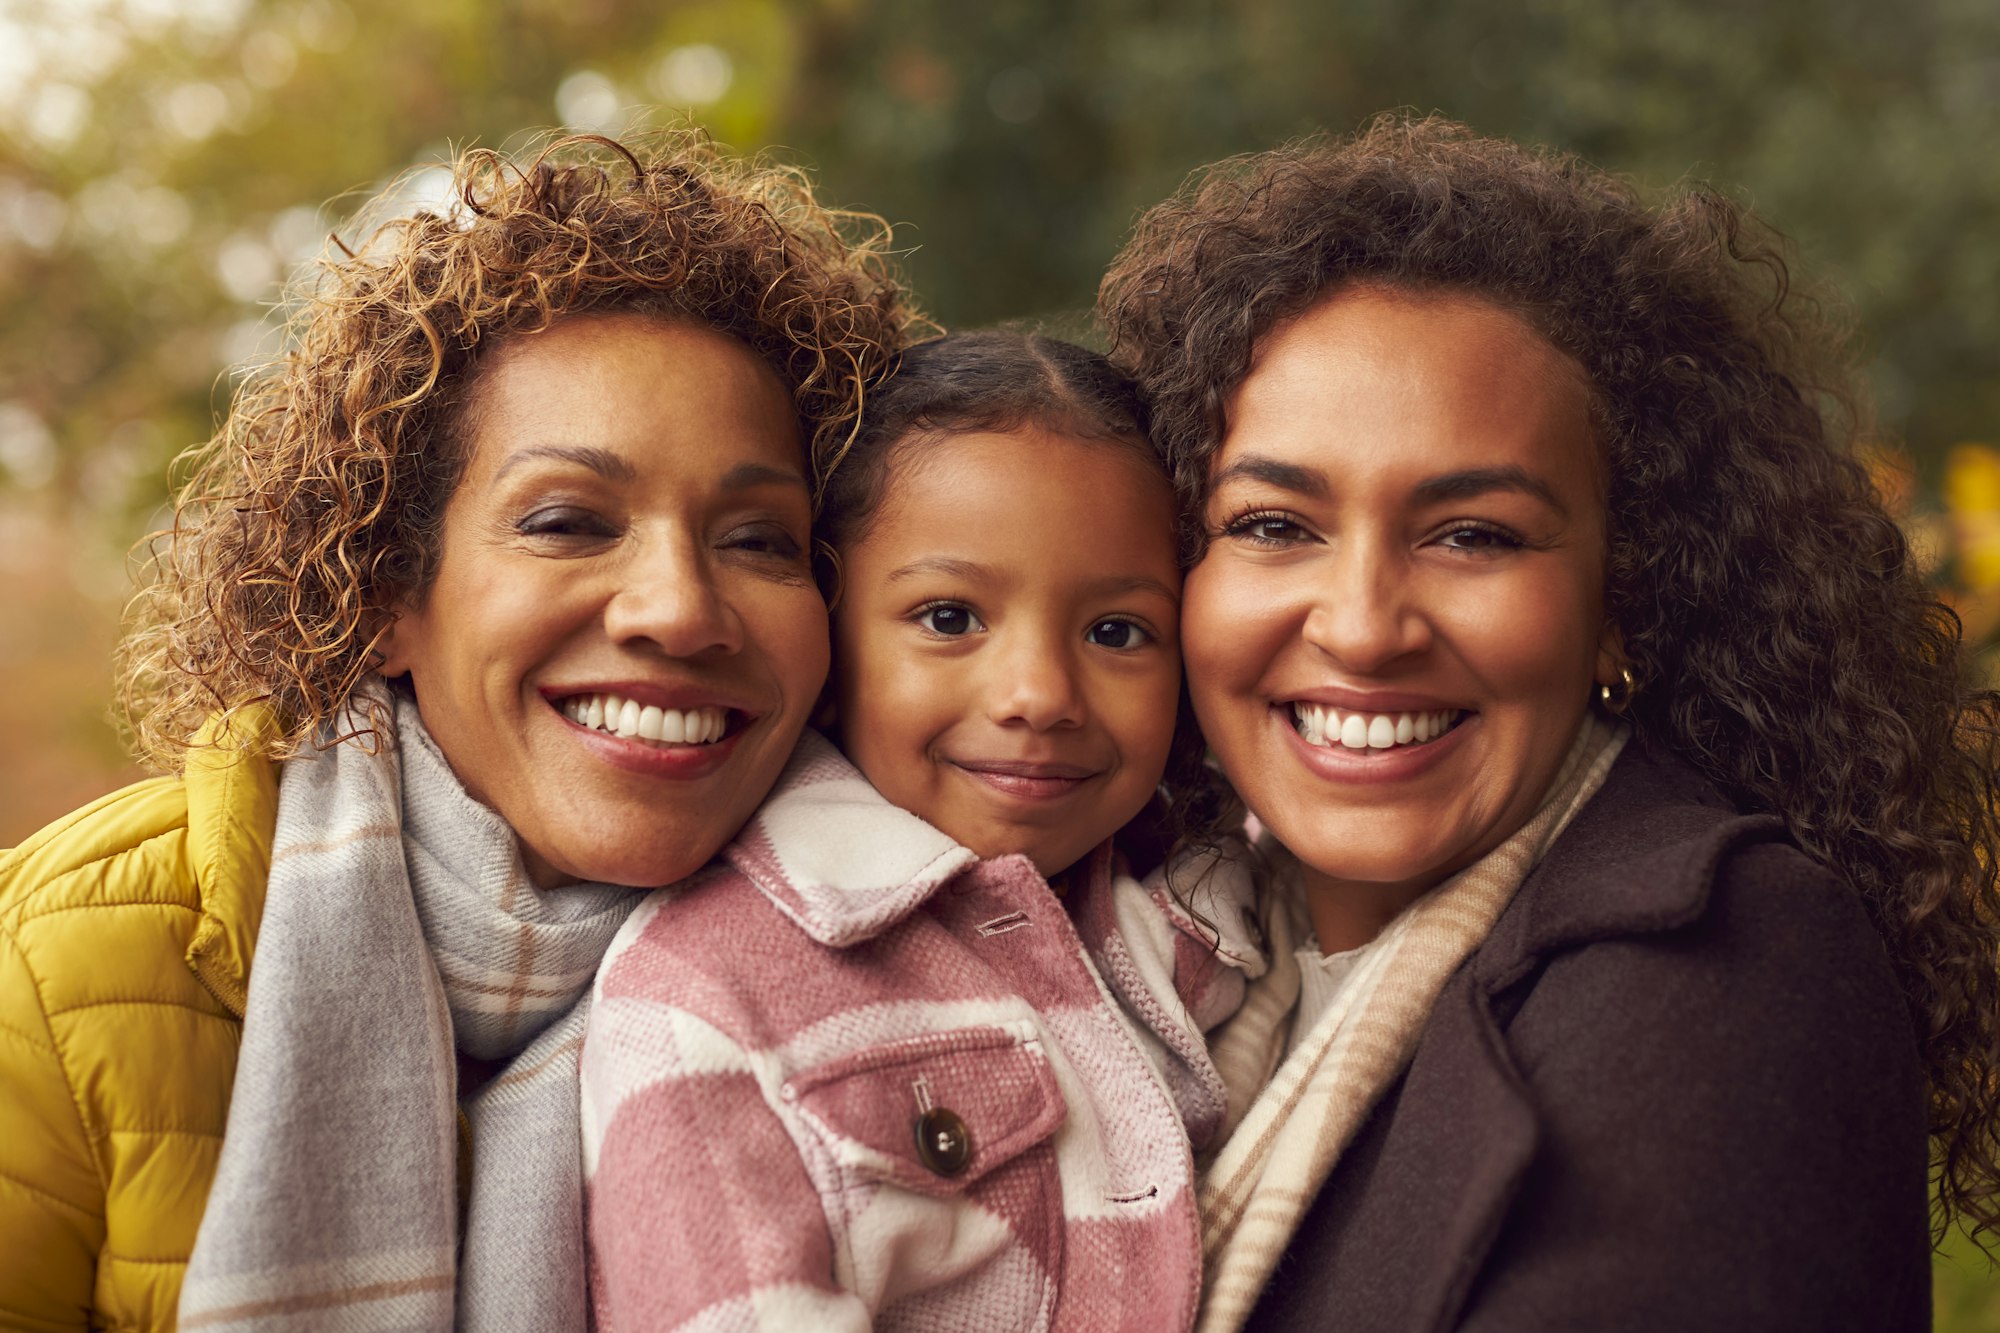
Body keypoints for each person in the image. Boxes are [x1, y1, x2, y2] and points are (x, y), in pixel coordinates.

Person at [1098, 116, 2000, 1331]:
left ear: (1622, 597)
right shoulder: (1147, 957)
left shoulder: (1726, 968)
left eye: (1472, 534)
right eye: (1271, 524)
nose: (1362, 627)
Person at [0, 132, 909, 1331]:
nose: (681, 608)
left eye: (757, 541)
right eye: (568, 521)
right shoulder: (61, 967)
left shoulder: (931, 959)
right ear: (383, 594)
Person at [581, 332, 1262, 1332]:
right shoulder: (700, 998)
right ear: (828, 630)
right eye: (948, 618)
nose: (1038, 694)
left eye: (1115, 632)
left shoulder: (1204, 909)